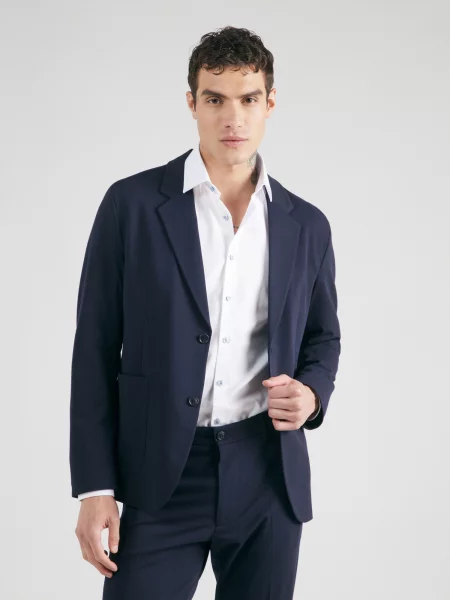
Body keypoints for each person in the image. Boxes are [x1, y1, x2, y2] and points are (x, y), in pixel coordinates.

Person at [70, 25, 341, 599]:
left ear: (270, 103)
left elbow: (323, 336)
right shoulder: (132, 205)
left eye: (248, 99)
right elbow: (94, 347)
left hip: (268, 473)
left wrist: (312, 393)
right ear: (192, 102)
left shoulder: (306, 225)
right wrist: (95, 487)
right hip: (161, 474)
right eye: (215, 99)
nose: (232, 118)